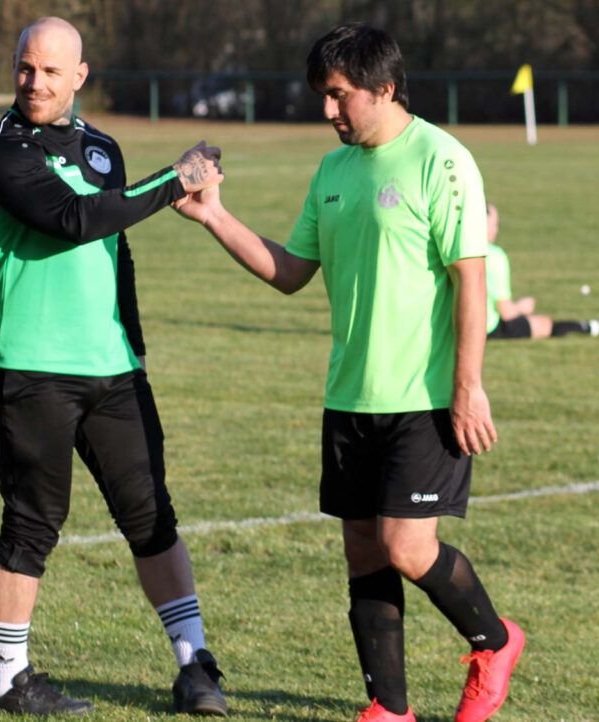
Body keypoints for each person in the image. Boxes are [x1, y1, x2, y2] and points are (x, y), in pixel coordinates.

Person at [175, 22, 524, 722]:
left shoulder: (440, 159)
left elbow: (472, 279)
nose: (328, 111)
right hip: (349, 395)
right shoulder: (333, 170)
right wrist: (215, 217)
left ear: (384, 87)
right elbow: (292, 272)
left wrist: (468, 384)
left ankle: (496, 640)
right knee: (365, 553)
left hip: (423, 399)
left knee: (405, 545)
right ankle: (388, 710)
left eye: (338, 96)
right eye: (322, 96)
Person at [0, 16, 227, 717]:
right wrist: (175, 182)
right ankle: (6, 680)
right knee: (33, 522)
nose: (35, 83)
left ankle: (195, 667)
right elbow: (74, 221)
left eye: (52, 71)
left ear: (80, 77)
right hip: (28, 366)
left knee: (152, 516)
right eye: (26, 68)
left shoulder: (103, 148)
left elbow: (117, 253)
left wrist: (134, 347)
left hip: (113, 369)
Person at [486, 203, 599, 339]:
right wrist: (521, 308)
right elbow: (507, 313)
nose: (496, 230)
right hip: (484, 328)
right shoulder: (493, 256)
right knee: (544, 324)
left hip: (460, 325)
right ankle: (597, 326)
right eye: (494, 224)